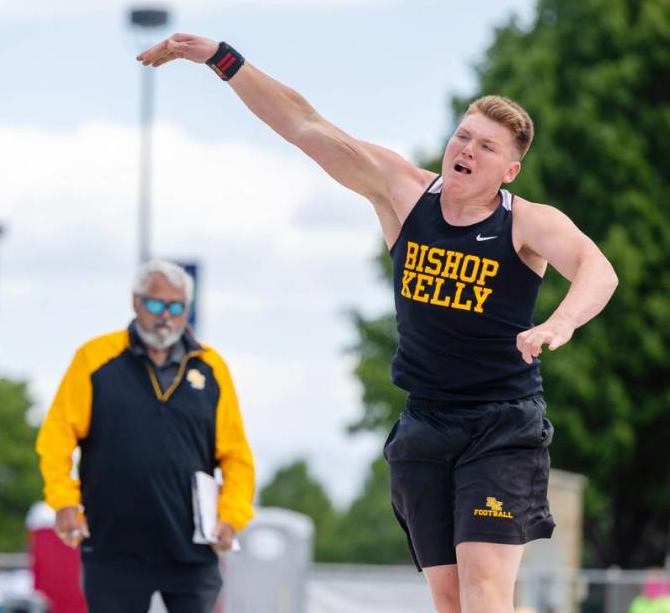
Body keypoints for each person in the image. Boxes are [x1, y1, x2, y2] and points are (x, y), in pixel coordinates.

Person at [137, 35, 618, 613]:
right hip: (425, 423)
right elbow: (305, 126)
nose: (467, 149)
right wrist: (221, 57)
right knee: (448, 598)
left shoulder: (526, 223)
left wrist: (558, 324)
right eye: (463, 135)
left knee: (485, 590)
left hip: (502, 425)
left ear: (509, 170)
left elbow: (597, 269)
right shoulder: (403, 194)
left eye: (486, 146)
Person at [36, 259, 255, 613]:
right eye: (155, 304)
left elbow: (236, 456)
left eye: (176, 307)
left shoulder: (211, 368)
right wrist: (63, 501)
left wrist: (231, 517)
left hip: (192, 552)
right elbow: (56, 437)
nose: (165, 316)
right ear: (136, 302)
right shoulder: (94, 359)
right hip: (113, 548)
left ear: (187, 310)